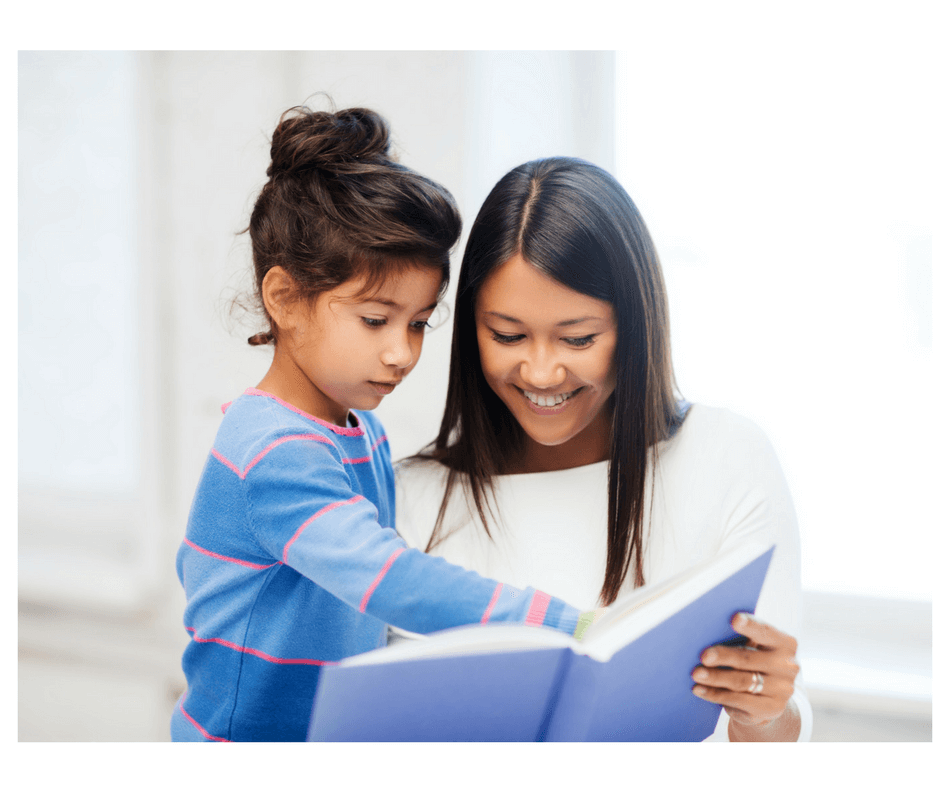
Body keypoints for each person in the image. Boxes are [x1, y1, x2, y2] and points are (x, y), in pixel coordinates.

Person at [171, 110, 595, 742]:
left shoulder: (356, 430)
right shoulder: (272, 450)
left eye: (419, 322)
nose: (402, 352)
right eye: (376, 320)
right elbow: (389, 580)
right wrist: (566, 626)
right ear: (285, 299)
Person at [394, 156, 813, 742]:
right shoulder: (409, 498)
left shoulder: (725, 458)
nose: (541, 372)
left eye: (578, 338)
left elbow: (761, 743)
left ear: (635, 327)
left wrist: (767, 712)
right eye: (507, 335)